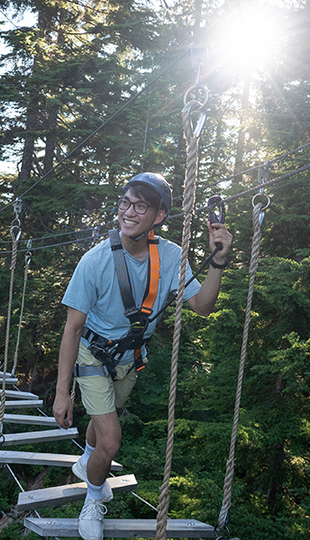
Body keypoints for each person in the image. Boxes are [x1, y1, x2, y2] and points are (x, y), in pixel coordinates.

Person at [52, 172, 233, 540]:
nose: (129, 212)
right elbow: (72, 329)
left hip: (129, 359)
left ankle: (87, 460)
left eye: (140, 206)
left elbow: (202, 305)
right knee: (112, 439)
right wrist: (61, 391)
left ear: (159, 216)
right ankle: (92, 499)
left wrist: (218, 261)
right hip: (92, 353)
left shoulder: (169, 257)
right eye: (125, 203)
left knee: (104, 424)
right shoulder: (95, 260)